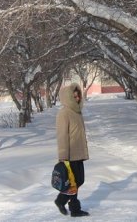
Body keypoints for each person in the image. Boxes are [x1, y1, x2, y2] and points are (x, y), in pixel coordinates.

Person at [54, 83, 90, 217]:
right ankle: (66, 204)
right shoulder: (64, 113)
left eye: (78, 95)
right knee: (75, 182)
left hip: (79, 153)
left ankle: (69, 205)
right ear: (67, 97)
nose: (77, 98)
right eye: (74, 96)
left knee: (79, 180)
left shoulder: (77, 112)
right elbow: (62, 136)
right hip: (69, 155)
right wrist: (63, 157)